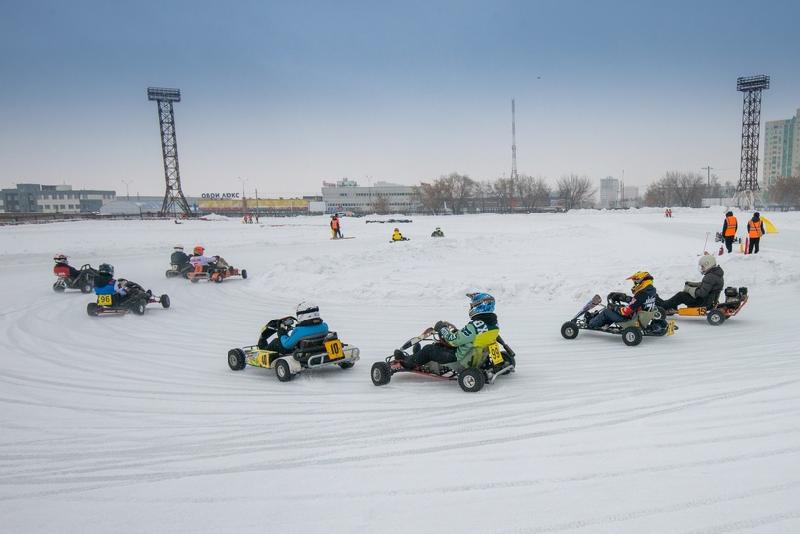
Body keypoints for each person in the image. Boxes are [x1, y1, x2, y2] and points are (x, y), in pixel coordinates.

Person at [398, 293, 500, 370]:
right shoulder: (493, 325)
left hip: (459, 360)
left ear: (479, 306)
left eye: (472, 305)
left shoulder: (474, 326)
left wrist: (442, 328)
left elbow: (453, 341)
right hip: (475, 357)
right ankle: (418, 356)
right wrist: (456, 331)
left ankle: (407, 362)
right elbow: (472, 338)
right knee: (439, 346)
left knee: (428, 349)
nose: (471, 307)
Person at [588, 272, 658, 329]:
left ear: (642, 281)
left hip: (631, 321)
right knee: (617, 308)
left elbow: (625, 312)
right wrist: (624, 298)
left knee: (607, 311)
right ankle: (604, 323)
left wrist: (614, 307)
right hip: (640, 316)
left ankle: (591, 323)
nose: (635, 284)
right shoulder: (651, 291)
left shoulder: (641, 294)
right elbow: (638, 302)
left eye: (636, 282)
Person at [658, 255, 724, 313]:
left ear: (708, 264)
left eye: (702, 266)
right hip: (709, 302)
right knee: (682, 295)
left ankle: (662, 306)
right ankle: (669, 305)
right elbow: (706, 285)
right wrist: (693, 284)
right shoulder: (716, 274)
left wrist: (689, 289)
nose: (701, 268)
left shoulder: (709, 276)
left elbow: (702, 293)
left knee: (681, 295)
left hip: (702, 304)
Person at [257, 302, 330, 354]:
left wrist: (282, 333)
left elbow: (287, 345)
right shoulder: (324, 326)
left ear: (303, 315)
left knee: (276, 341)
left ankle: (263, 350)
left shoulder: (299, 331)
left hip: (300, 351)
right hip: (317, 347)